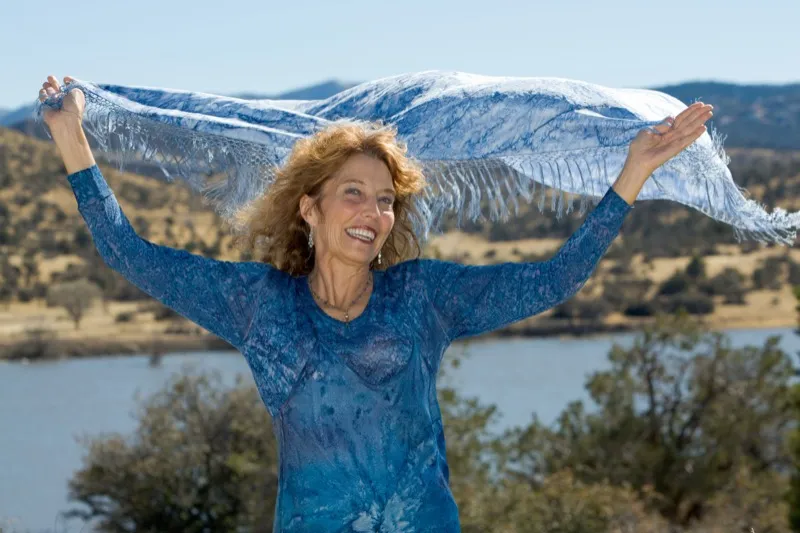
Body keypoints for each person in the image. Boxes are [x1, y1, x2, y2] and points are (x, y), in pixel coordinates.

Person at [39, 74, 713, 532]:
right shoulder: (258, 305)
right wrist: (72, 138)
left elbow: (553, 279)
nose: (374, 212)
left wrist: (633, 172)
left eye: (386, 199)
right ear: (310, 207)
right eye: (354, 193)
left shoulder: (421, 296)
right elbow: (128, 252)